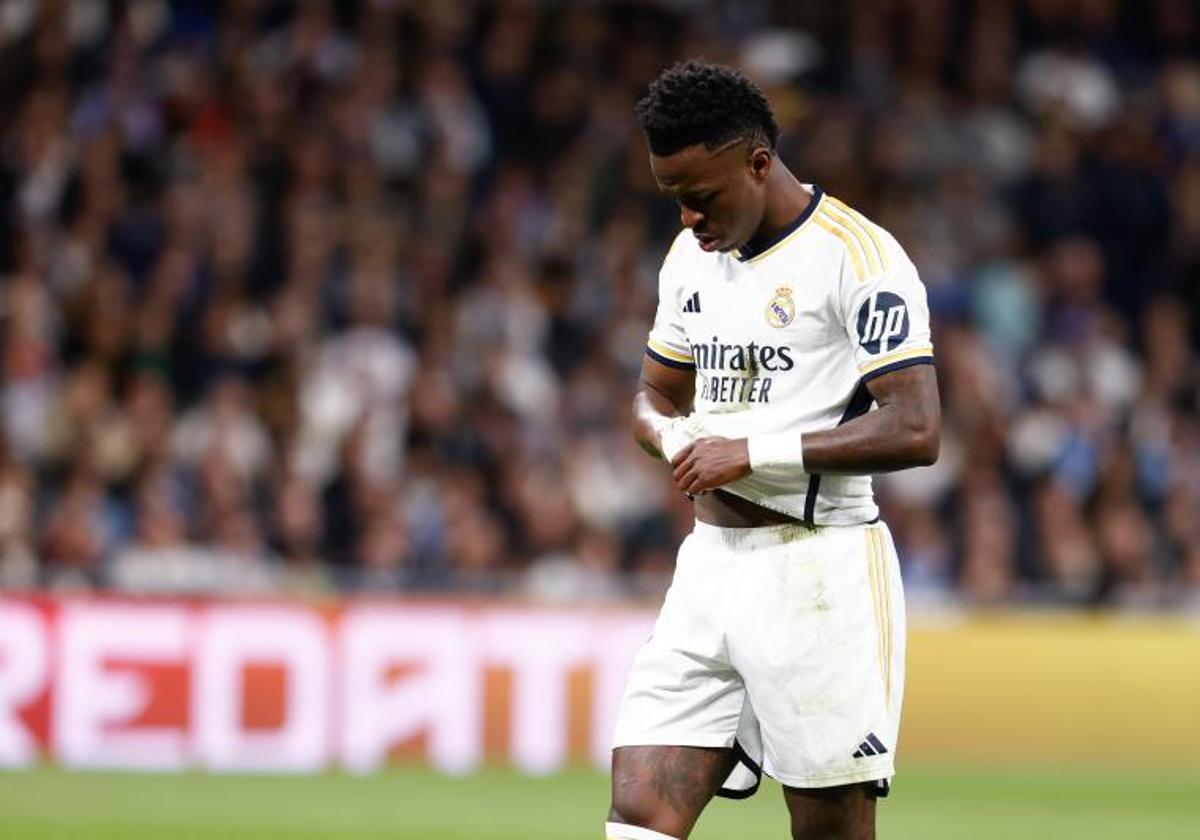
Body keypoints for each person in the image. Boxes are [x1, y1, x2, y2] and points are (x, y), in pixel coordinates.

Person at [607, 61, 941, 840]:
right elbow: (650, 397)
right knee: (640, 810)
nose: (689, 217)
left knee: (827, 828)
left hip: (819, 571)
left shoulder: (860, 258)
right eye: (673, 198)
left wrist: (755, 452)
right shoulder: (692, 259)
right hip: (710, 566)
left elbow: (917, 429)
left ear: (759, 162)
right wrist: (670, 437)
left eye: (702, 195)